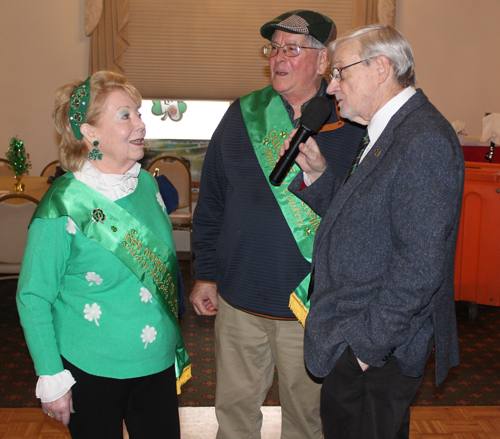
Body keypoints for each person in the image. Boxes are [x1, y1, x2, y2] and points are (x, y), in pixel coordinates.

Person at [282, 24, 464, 439]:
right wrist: (320, 175)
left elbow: (420, 267)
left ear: (381, 67)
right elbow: (366, 224)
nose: (331, 88)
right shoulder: (389, 130)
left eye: (340, 73)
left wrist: (364, 348)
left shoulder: (422, 139)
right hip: (365, 341)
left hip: (376, 350)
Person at [190, 10, 364, 439]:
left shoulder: (356, 123)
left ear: (323, 62)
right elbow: (210, 200)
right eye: (274, 48)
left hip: (311, 308)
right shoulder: (242, 113)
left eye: (292, 49)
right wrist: (206, 275)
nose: (278, 58)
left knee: (307, 424)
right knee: (233, 418)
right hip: (239, 303)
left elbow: (365, 220)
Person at [16, 71, 190, 439]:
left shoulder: (145, 182)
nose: (141, 124)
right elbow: (33, 296)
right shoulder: (62, 204)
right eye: (125, 115)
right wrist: (51, 375)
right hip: (91, 367)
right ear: (90, 133)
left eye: (139, 113)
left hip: (155, 363)